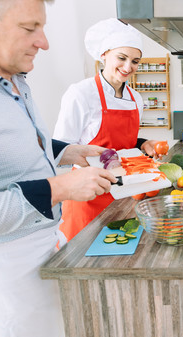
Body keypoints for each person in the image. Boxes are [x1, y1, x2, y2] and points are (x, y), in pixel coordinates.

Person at [0, 0, 118, 337]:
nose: (44, 42)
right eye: (30, 28)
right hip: (0, 281)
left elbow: (13, 144)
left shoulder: (12, 78)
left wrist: (69, 151)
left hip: (42, 254)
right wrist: (60, 187)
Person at [54, 18, 162, 241]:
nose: (127, 67)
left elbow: (124, 144)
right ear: (104, 54)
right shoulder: (81, 93)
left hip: (125, 193)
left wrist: (143, 143)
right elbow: (59, 151)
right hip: (88, 194)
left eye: (135, 61)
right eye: (121, 58)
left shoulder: (136, 98)